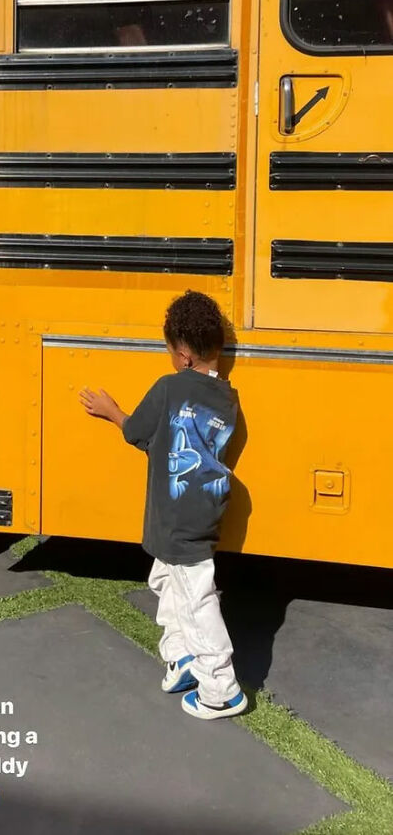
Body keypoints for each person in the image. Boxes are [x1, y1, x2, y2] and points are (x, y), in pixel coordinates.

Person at [79, 289, 247, 721]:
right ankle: (181, 658)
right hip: (203, 510)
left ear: (184, 356)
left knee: (197, 597)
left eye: (170, 351)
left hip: (175, 515)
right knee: (167, 581)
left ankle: (221, 688)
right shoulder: (228, 398)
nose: (170, 358)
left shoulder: (169, 387)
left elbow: (138, 431)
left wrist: (111, 411)